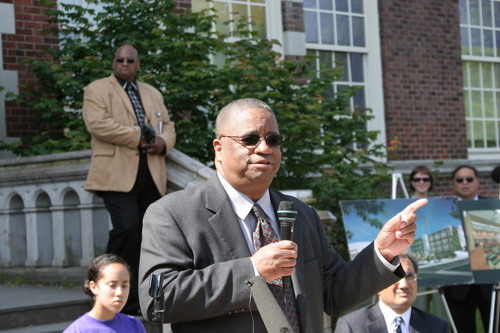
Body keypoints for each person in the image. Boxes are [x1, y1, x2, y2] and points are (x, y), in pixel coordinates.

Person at [138, 98, 427, 332]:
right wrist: (251, 271)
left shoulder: (301, 215)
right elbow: (157, 299)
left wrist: (381, 253)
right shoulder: (173, 213)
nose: (264, 148)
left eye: (273, 139)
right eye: (250, 139)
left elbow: (334, 295)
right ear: (219, 148)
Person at [82, 44, 176, 315]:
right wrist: (138, 136)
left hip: (151, 173)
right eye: (119, 60)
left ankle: (138, 298)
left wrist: (162, 142)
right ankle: (104, 287)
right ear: (113, 62)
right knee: (127, 229)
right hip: (116, 173)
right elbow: (97, 124)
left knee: (150, 236)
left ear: (138, 64)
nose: (124, 63)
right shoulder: (96, 89)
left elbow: (168, 125)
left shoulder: (152, 92)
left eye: (130, 60)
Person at [334, 253, 451, 333]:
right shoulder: (352, 327)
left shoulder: (438, 327)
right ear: (377, 286)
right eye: (395, 277)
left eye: (409, 276)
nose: (404, 285)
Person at [441, 165, 493, 333]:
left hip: (490, 281)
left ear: (477, 182)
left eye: (469, 179)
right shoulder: (445, 210)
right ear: (454, 184)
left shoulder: (492, 206)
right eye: (460, 180)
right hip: (458, 285)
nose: (465, 183)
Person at [63, 253, 146, 333]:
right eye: (112, 285)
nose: (119, 293)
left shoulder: (134, 325)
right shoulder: (77, 330)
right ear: (93, 287)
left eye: (124, 286)